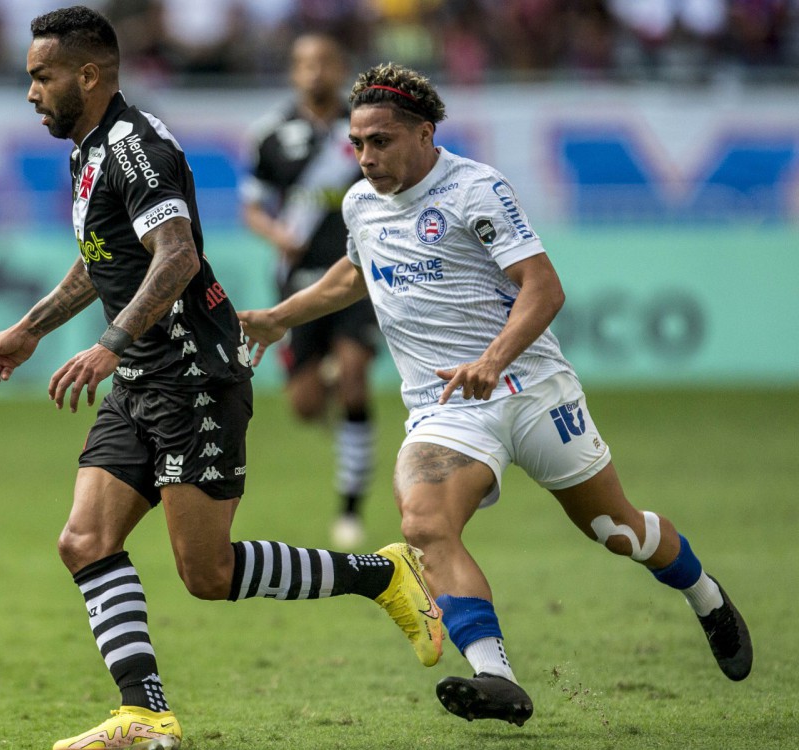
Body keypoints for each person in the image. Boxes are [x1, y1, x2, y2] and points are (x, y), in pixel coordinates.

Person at [0, 9, 443, 749]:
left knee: (209, 572)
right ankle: (146, 714)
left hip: (193, 371)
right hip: (143, 374)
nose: (31, 92)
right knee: (84, 539)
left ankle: (380, 576)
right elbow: (105, 258)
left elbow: (177, 256)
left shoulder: (139, 148)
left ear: (88, 75)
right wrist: (32, 328)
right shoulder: (89, 150)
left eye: (42, 76)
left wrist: (109, 343)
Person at [238, 62, 753, 727]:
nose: (367, 158)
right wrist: (280, 316)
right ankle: (495, 676)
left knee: (615, 530)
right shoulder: (361, 203)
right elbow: (354, 270)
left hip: (532, 389)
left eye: (382, 142)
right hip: (445, 410)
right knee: (424, 525)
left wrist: (491, 358)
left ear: (425, 133)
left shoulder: (476, 189)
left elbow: (544, 288)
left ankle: (706, 595)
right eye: (358, 144)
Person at [240, 32, 378, 550]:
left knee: (356, 372)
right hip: (297, 281)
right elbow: (252, 205)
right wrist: (277, 233)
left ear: (342, 66)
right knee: (303, 406)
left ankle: (349, 509)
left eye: (325, 61)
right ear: (293, 72)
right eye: (304, 63)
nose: (315, 70)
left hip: (357, 272)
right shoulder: (270, 134)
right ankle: (323, 376)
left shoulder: (366, 127)